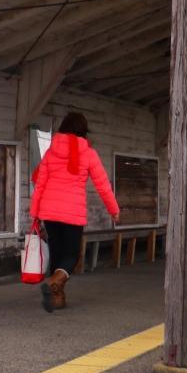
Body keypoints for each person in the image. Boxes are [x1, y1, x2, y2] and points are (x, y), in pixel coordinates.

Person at [29, 111, 120, 312]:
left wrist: (34, 213)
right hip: (72, 213)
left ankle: (57, 299)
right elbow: (103, 185)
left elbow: (40, 184)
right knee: (72, 254)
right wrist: (114, 210)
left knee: (57, 253)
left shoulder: (51, 152)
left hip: (49, 213)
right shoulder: (88, 153)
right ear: (83, 131)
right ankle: (55, 282)